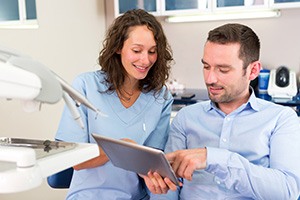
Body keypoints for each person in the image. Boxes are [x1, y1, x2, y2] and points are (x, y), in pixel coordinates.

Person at [142, 23, 300, 199]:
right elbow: (168, 189)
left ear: (253, 70)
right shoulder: (186, 118)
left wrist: (213, 159)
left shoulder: (281, 119)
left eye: (223, 69)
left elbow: (287, 191)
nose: (210, 79)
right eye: (206, 66)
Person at [55, 9, 174, 200]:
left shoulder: (160, 96)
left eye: (152, 52)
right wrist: (123, 148)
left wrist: (156, 178)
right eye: (136, 50)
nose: (145, 60)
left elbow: (153, 162)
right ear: (118, 47)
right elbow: (74, 160)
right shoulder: (85, 86)